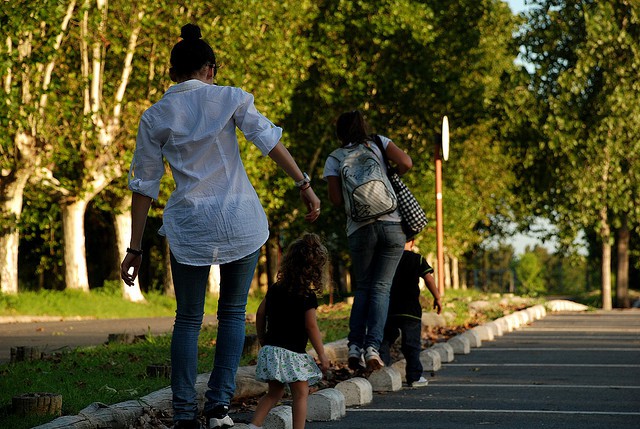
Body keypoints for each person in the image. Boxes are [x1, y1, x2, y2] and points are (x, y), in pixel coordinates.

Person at [120, 23, 321, 429]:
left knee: (188, 320)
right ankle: (218, 410)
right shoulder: (230, 98)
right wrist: (304, 184)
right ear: (210, 68)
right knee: (231, 314)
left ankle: (182, 415)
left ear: (173, 72)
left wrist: (135, 247)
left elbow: (144, 185)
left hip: (190, 224)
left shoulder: (156, 115)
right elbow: (268, 141)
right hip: (239, 220)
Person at [323, 110, 412, 371]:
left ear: (339, 131)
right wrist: (389, 172)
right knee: (381, 288)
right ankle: (373, 348)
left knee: (362, 287)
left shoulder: (334, 158)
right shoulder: (379, 143)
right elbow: (407, 163)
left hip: (359, 229)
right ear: (363, 126)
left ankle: (354, 346)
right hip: (391, 224)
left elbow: (336, 200)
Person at [249, 233, 330, 429]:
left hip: (272, 350)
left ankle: (253, 425)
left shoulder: (276, 288)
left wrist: (262, 338)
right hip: (292, 354)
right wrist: (322, 354)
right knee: (301, 394)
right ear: (315, 268)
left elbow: (260, 313)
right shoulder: (307, 295)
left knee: (274, 393)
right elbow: (311, 326)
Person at [379, 238, 442, 387]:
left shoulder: (388, 259)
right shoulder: (417, 259)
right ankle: (414, 377)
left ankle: (382, 372)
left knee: (385, 340)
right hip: (411, 311)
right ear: (412, 242)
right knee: (412, 344)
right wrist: (437, 298)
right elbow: (429, 279)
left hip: (390, 309)